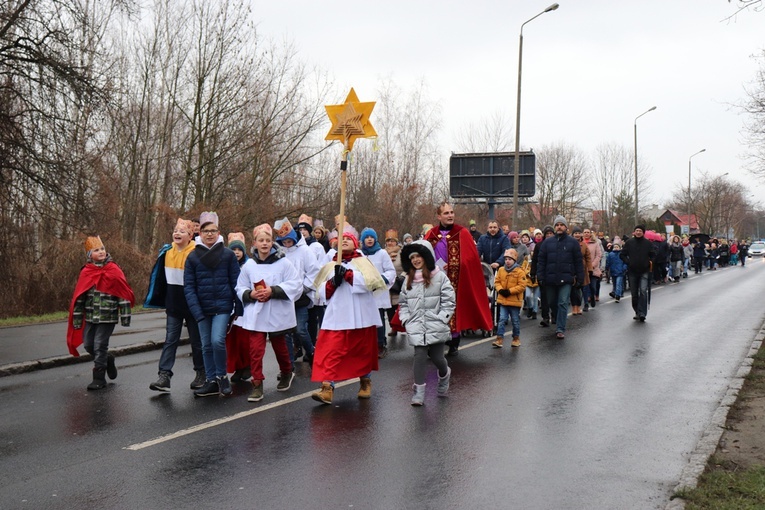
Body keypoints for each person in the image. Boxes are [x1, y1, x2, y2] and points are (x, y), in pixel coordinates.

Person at [310, 227, 386, 405]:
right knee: (331, 351)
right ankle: (327, 388)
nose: (344, 241)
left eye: (348, 239)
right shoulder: (330, 264)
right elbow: (320, 291)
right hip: (337, 315)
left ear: (355, 243)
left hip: (361, 315)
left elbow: (372, 283)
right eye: (341, 239)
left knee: (361, 351)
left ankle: (365, 382)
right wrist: (332, 283)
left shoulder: (364, 262)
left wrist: (349, 275)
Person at [236, 224, 302, 402]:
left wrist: (273, 291)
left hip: (277, 314)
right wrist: (250, 294)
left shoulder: (283, 262)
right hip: (257, 315)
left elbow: (296, 284)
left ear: (272, 242)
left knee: (280, 348)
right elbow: (239, 286)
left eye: (267, 240)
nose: (264, 244)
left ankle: (287, 372)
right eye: (261, 240)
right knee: (256, 351)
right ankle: (257, 384)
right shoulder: (249, 265)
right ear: (254, 243)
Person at [184, 211, 242, 397]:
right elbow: (189, 287)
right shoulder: (192, 257)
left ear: (218, 233)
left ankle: (221, 376)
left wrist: (238, 305)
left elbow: (236, 282)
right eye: (206, 231)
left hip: (222, 306)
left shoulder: (227, 255)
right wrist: (196, 311)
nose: (209, 234)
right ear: (199, 234)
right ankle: (210, 381)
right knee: (205, 345)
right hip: (202, 308)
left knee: (217, 341)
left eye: (213, 230)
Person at [423, 202, 493, 356]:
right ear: (439, 216)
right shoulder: (431, 234)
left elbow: (471, 259)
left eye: (451, 212)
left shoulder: (462, 233)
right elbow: (422, 255)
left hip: (455, 280)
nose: (450, 215)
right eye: (446, 213)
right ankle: (433, 342)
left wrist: (454, 264)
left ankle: (453, 340)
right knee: (433, 310)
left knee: (453, 308)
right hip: (434, 280)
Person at [144, 218, 205, 392]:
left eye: (182, 231)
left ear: (191, 236)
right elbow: (159, 278)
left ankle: (201, 373)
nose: (177, 233)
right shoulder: (167, 252)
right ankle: (164, 375)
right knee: (170, 340)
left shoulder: (196, 254)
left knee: (197, 341)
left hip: (193, 306)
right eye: (176, 230)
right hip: (174, 306)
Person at [67, 236, 134, 390]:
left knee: (99, 345)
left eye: (102, 249)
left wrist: (125, 316)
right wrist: (77, 320)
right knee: (89, 345)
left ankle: (99, 378)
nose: (101, 252)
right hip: (90, 316)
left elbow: (122, 293)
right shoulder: (86, 272)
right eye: (96, 250)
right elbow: (79, 298)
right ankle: (108, 359)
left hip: (108, 315)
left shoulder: (113, 269)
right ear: (90, 255)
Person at [398, 240, 455, 406]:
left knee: (437, 357)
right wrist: (406, 319)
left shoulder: (439, 277)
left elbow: (449, 300)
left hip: (435, 324)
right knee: (419, 355)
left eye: (419, 256)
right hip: (416, 325)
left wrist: (442, 318)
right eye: (412, 257)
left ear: (426, 257)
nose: (416, 260)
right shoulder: (407, 279)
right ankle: (418, 392)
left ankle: (444, 374)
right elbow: (403, 303)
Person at [274, 218, 320, 365]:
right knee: (287, 331)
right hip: (285, 297)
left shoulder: (305, 251)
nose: (287, 244)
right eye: (284, 242)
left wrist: (304, 288)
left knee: (300, 329)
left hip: (301, 296)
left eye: (289, 241)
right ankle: (290, 362)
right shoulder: (280, 253)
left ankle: (311, 350)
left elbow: (313, 271)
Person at [536, 216, 584, 339]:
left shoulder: (573, 242)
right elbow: (541, 261)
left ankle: (560, 328)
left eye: (561, 225)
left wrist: (579, 278)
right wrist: (540, 276)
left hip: (566, 278)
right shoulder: (547, 243)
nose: (559, 227)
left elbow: (578, 262)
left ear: (566, 227)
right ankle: (557, 317)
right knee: (552, 302)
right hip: (550, 279)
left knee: (563, 302)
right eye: (557, 225)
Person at [360, 227, 396, 358]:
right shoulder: (359, 254)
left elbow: (391, 271)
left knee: (378, 320)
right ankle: (367, 344)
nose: (369, 239)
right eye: (367, 237)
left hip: (378, 291)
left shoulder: (382, 253)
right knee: (365, 320)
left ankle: (380, 344)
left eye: (371, 237)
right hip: (364, 291)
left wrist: (382, 279)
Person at [225, 232, 251, 384]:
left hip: (245, 307)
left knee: (244, 340)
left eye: (239, 250)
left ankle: (247, 365)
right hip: (231, 308)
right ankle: (237, 367)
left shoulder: (248, 266)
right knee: (232, 341)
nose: (236, 253)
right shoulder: (225, 265)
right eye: (233, 250)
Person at [492, 248, 528, 348]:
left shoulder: (520, 271)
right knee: (502, 319)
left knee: (515, 320)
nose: (507, 261)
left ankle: (516, 338)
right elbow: (497, 282)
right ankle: (499, 339)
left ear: (514, 260)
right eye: (506, 259)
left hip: (514, 301)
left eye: (510, 259)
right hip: (503, 300)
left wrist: (510, 291)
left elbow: (522, 286)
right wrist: (500, 290)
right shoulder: (501, 270)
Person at [620, 224, 656, 322]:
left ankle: (643, 312)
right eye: (637, 230)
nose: (638, 232)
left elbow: (653, 255)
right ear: (634, 232)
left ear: (643, 232)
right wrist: (628, 262)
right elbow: (622, 255)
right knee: (634, 294)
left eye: (640, 231)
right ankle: (637, 311)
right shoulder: (629, 243)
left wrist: (650, 263)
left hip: (644, 271)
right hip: (632, 271)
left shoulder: (648, 243)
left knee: (643, 291)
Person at [530, 225, 554, 327]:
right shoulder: (539, 245)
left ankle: (554, 314)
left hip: (554, 274)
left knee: (553, 297)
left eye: (550, 233)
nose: (549, 235)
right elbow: (535, 260)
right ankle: (545, 317)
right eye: (547, 234)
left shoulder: (557, 244)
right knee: (544, 296)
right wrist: (533, 273)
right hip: (543, 274)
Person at [384, 229, 404, 339]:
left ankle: (402, 326)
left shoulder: (402, 253)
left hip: (399, 283)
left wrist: (402, 277)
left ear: (396, 242)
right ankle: (393, 327)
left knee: (400, 307)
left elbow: (407, 267)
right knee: (390, 308)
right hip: (388, 285)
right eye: (388, 241)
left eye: (392, 241)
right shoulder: (382, 253)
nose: (390, 243)